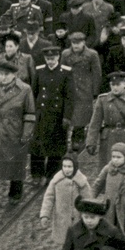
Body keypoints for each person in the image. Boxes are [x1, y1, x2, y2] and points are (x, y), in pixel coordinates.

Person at [0, 60, 35, 206]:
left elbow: (29, 114)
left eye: (6, 74)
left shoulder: (24, 89)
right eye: (1, 74)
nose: (3, 77)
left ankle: (15, 194)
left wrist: (25, 135)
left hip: (14, 134)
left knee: (16, 167)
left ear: (14, 74)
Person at [84, 71, 125, 167]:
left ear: (124, 84)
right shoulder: (102, 100)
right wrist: (91, 142)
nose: (115, 87)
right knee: (108, 167)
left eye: (118, 84)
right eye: (112, 84)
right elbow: (95, 123)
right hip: (109, 138)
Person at [30, 46, 74, 180]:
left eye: (53, 58)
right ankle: (37, 174)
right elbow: (34, 92)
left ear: (58, 57)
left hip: (57, 115)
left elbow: (69, 97)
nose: (50, 61)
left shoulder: (65, 72)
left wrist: (66, 116)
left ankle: (52, 174)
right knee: (37, 146)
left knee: (56, 147)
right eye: (48, 59)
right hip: (41, 114)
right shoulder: (39, 71)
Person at [61, 197, 125, 250]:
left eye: (92, 217)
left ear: (100, 217)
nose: (89, 221)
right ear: (81, 215)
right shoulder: (73, 230)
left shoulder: (111, 232)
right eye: (86, 217)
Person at [39, 155, 92, 249]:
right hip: (61, 218)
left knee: (78, 241)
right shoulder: (56, 181)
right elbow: (48, 198)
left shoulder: (81, 182)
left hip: (77, 218)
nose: (67, 169)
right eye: (64, 166)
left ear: (75, 167)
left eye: (70, 167)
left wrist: (88, 215)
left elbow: (88, 199)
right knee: (64, 241)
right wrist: (45, 215)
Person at [91, 142, 125, 234]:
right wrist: (91, 199)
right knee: (109, 228)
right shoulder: (108, 169)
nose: (115, 160)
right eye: (113, 157)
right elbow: (97, 185)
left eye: (119, 157)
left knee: (123, 229)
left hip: (124, 206)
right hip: (109, 205)